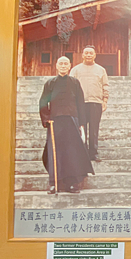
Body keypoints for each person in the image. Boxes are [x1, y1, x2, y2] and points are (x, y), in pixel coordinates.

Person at [39, 57, 94, 194]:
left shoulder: (75, 82)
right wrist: (46, 119)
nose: (63, 66)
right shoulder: (50, 83)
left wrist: (81, 123)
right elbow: (43, 102)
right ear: (56, 66)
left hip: (72, 120)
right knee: (54, 152)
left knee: (72, 152)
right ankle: (54, 183)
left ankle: (72, 184)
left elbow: (80, 103)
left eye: (65, 63)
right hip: (55, 121)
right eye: (60, 63)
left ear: (69, 66)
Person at [70, 45, 110, 162]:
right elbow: (70, 86)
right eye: (86, 53)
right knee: (81, 129)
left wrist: (105, 100)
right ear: (82, 55)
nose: (88, 55)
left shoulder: (101, 70)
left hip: (95, 102)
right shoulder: (75, 70)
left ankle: (93, 153)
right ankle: (82, 154)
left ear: (94, 55)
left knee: (94, 129)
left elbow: (105, 86)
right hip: (80, 103)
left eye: (90, 53)